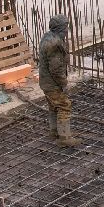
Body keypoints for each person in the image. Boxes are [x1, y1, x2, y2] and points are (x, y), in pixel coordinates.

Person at [38, 16, 78, 148]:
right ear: (60, 28)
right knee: (64, 105)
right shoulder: (54, 44)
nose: (67, 31)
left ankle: (54, 132)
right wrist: (64, 83)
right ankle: (64, 137)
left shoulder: (48, 37)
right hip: (52, 83)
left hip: (45, 81)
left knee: (53, 106)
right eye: (65, 28)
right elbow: (56, 69)